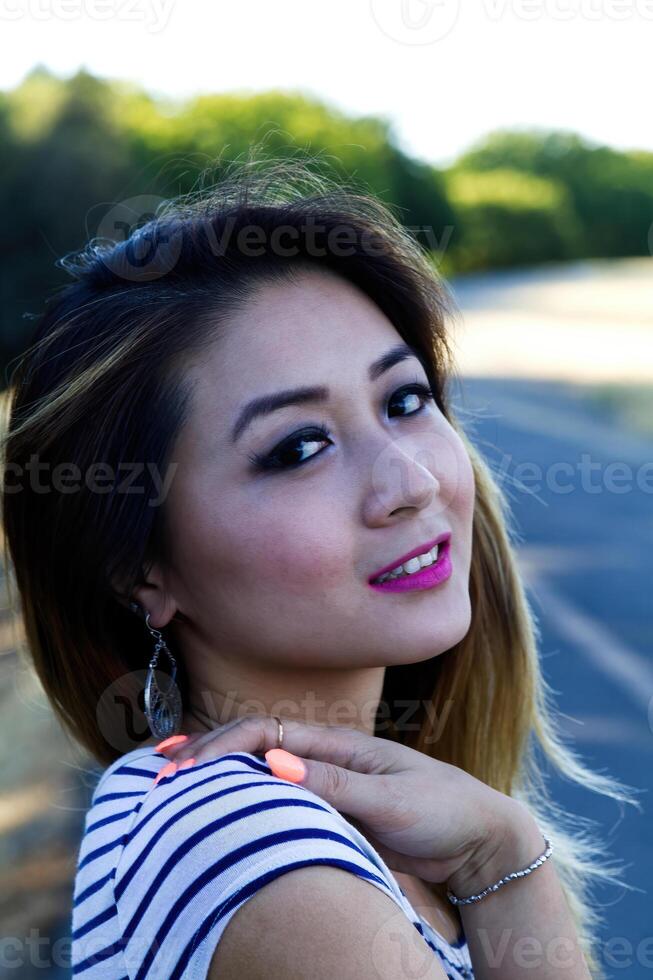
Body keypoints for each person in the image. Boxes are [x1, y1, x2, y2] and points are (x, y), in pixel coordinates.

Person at [0, 153, 637, 979]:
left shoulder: (243, 823)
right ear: (141, 571)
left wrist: (500, 855)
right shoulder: (271, 863)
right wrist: (512, 873)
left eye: (404, 401)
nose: (408, 483)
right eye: (299, 447)